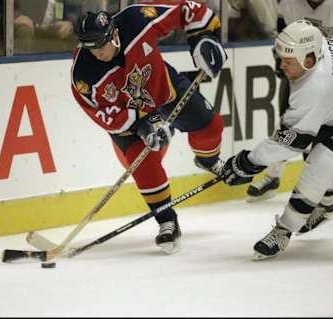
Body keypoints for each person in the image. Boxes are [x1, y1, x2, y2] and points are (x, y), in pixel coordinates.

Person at [70, 1, 227, 254]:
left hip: (165, 90)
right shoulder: (83, 73)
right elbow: (102, 115)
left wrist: (204, 38)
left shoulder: (136, 19)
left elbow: (188, 8)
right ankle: (166, 220)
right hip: (129, 117)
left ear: (114, 33)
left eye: (101, 45)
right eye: (90, 48)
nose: (97, 52)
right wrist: (144, 125)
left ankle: (208, 161)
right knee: (143, 163)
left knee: (212, 127)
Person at [219, 19, 333, 260]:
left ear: (309, 60)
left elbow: (289, 142)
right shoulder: (321, 45)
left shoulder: (315, 88)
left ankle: (284, 230)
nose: (281, 66)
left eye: (287, 61)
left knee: (323, 160)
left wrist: (247, 163)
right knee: (319, 151)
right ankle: (327, 206)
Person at [246, 0, 333, 231]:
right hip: (305, 72)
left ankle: (326, 201)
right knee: (290, 125)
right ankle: (276, 175)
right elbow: (286, 27)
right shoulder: (290, 3)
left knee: (320, 145)